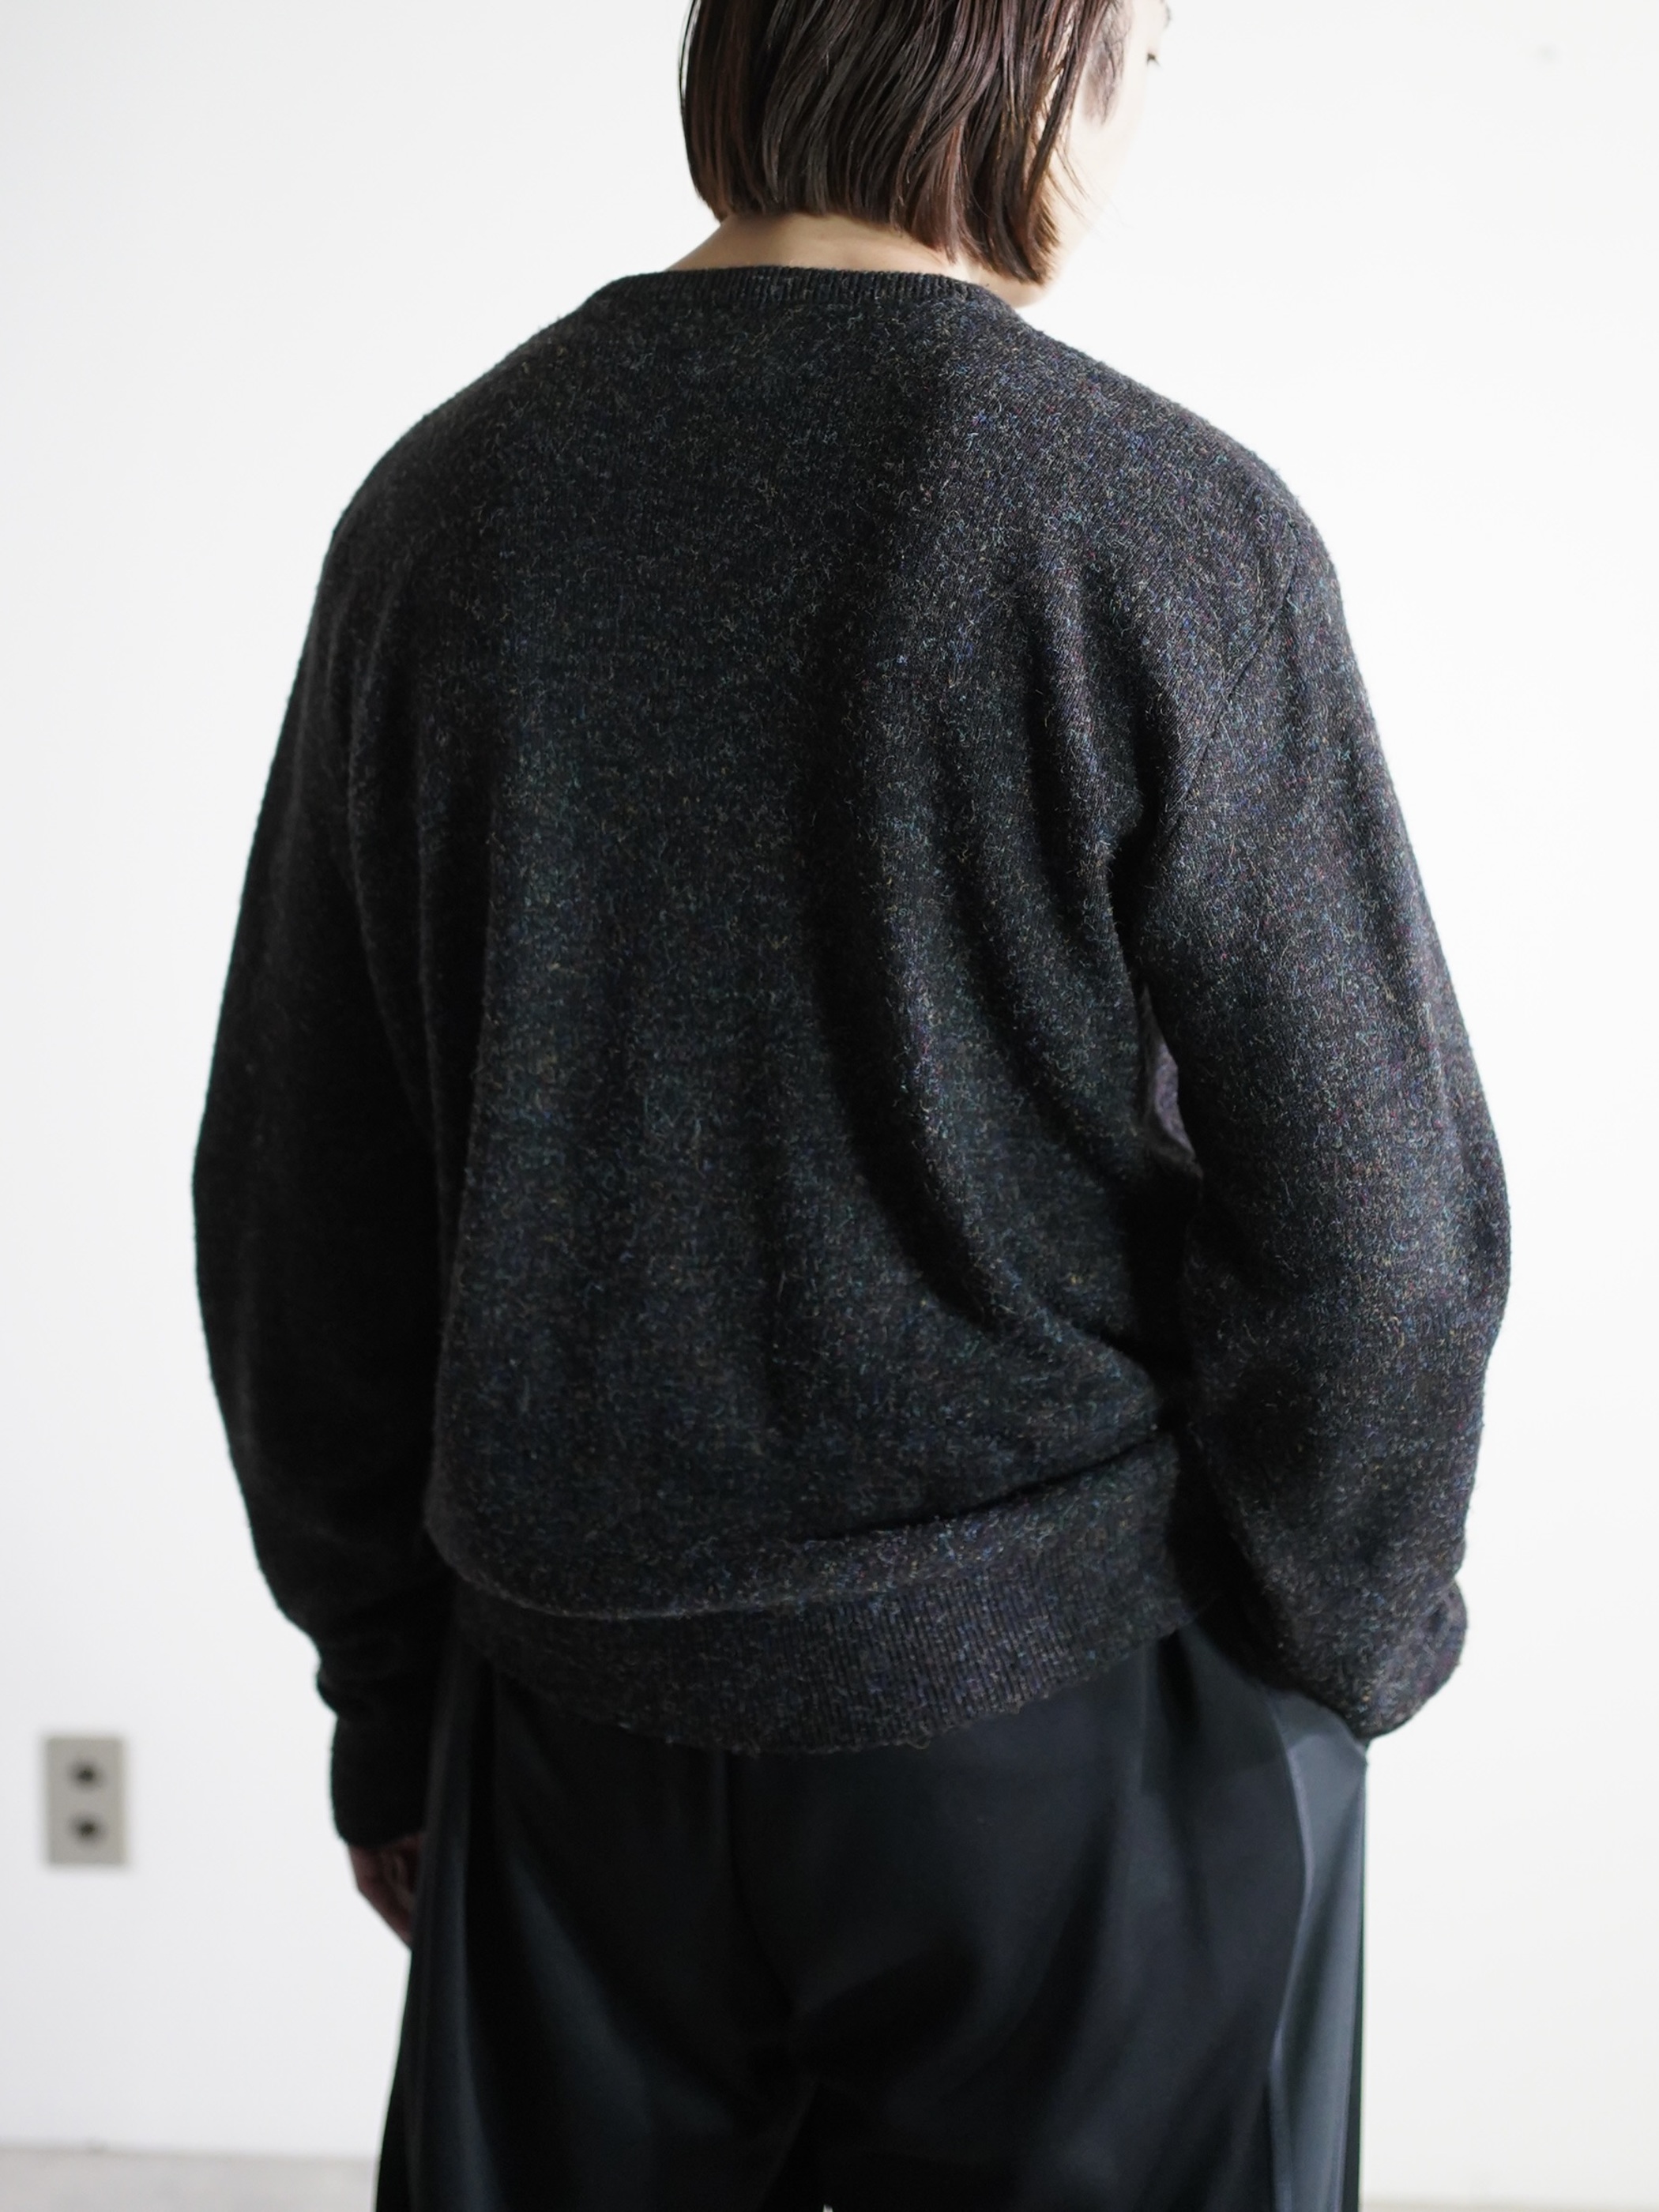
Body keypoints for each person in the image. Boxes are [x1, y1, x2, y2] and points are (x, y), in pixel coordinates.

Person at [194, 0, 1509, 2203]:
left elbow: (300, 1191)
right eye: (1135, 57)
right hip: (1073, 1730)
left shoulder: (441, 510)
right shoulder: (1147, 519)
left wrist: (386, 1694)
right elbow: (1378, 1222)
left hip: (573, 1735)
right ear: (1020, 58)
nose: (1137, 117)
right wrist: (1331, 1651)